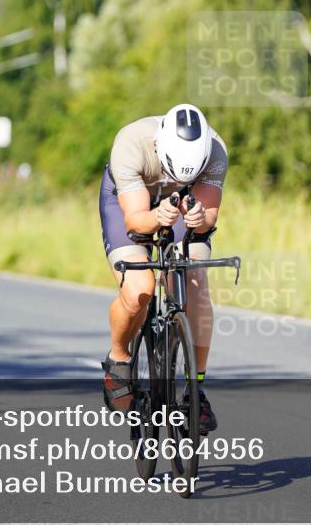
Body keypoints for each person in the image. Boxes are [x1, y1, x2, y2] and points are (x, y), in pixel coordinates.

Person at [98, 103, 228, 433]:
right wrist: (157, 218)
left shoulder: (215, 150)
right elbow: (136, 221)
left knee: (195, 286)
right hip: (131, 203)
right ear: (158, 145)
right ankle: (119, 358)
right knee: (139, 288)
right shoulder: (131, 143)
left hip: (183, 205)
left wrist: (199, 218)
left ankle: (195, 390)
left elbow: (208, 217)